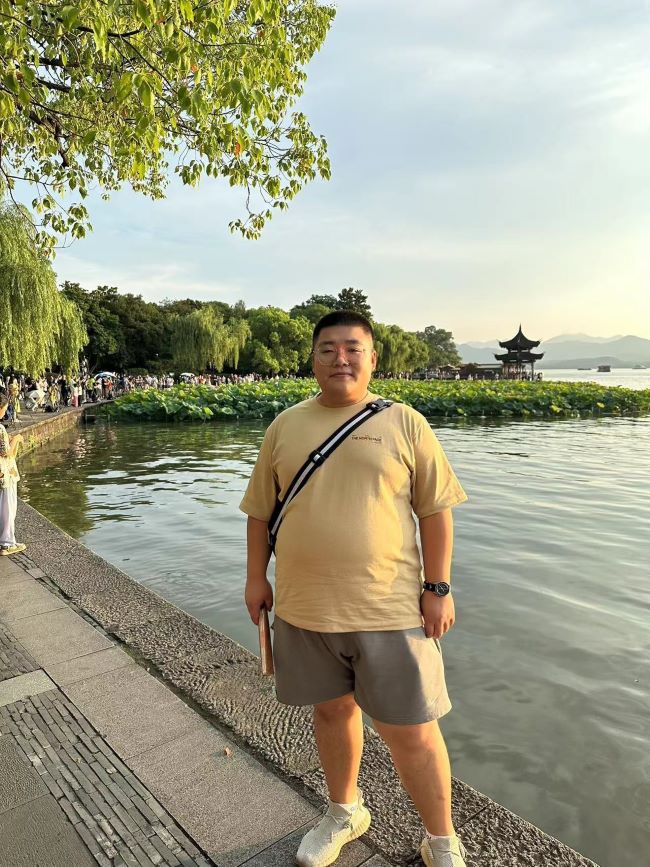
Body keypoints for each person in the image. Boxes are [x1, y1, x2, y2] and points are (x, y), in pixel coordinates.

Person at [241, 311, 468, 867]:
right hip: (304, 608)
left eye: (352, 348)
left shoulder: (404, 422)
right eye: (327, 349)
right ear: (313, 358)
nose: (339, 359)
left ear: (372, 358)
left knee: (413, 730)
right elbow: (259, 512)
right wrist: (255, 578)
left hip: (390, 608)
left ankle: (441, 839)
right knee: (331, 714)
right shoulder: (285, 426)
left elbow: (436, 511)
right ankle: (345, 811)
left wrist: (438, 587)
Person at [0, 395, 26, 556]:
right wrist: (16, 439)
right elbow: (5, 452)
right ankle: (7, 543)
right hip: (5, 473)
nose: (4, 412)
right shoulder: (0, 429)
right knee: (8, 508)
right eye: (4, 409)